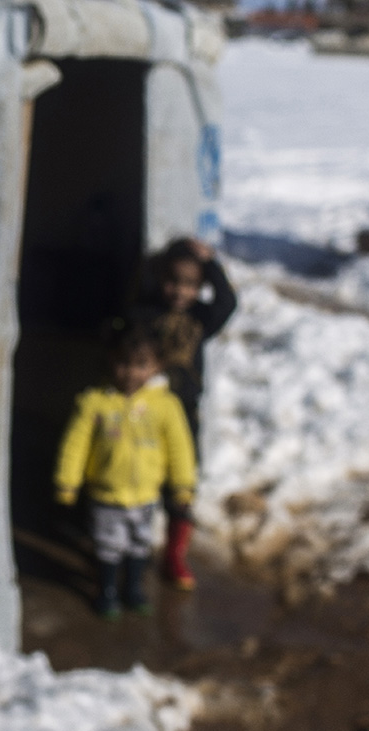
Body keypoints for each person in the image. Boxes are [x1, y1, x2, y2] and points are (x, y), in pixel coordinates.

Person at [54, 321, 196, 618]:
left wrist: (183, 485)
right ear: (111, 361)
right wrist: (67, 481)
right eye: (123, 364)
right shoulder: (95, 402)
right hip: (106, 495)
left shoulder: (166, 406)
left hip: (146, 496)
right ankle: (106, 589)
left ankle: (133, 587)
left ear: (157, 366)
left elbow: (180, 447)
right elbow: (75, 444)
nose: (131, 373)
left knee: (140, 545)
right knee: (108, 546)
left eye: (141, 365)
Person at [134, 236, 237, 590]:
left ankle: (175, 554)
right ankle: (134, 547)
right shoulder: (146, 315)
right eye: (172, 281)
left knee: (181, 482)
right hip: (146, 414)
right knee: (142, 475)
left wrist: (210, 263)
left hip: (184, 417)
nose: (179, 291)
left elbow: (228, 301)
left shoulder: (201, 318)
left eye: (190, 284)